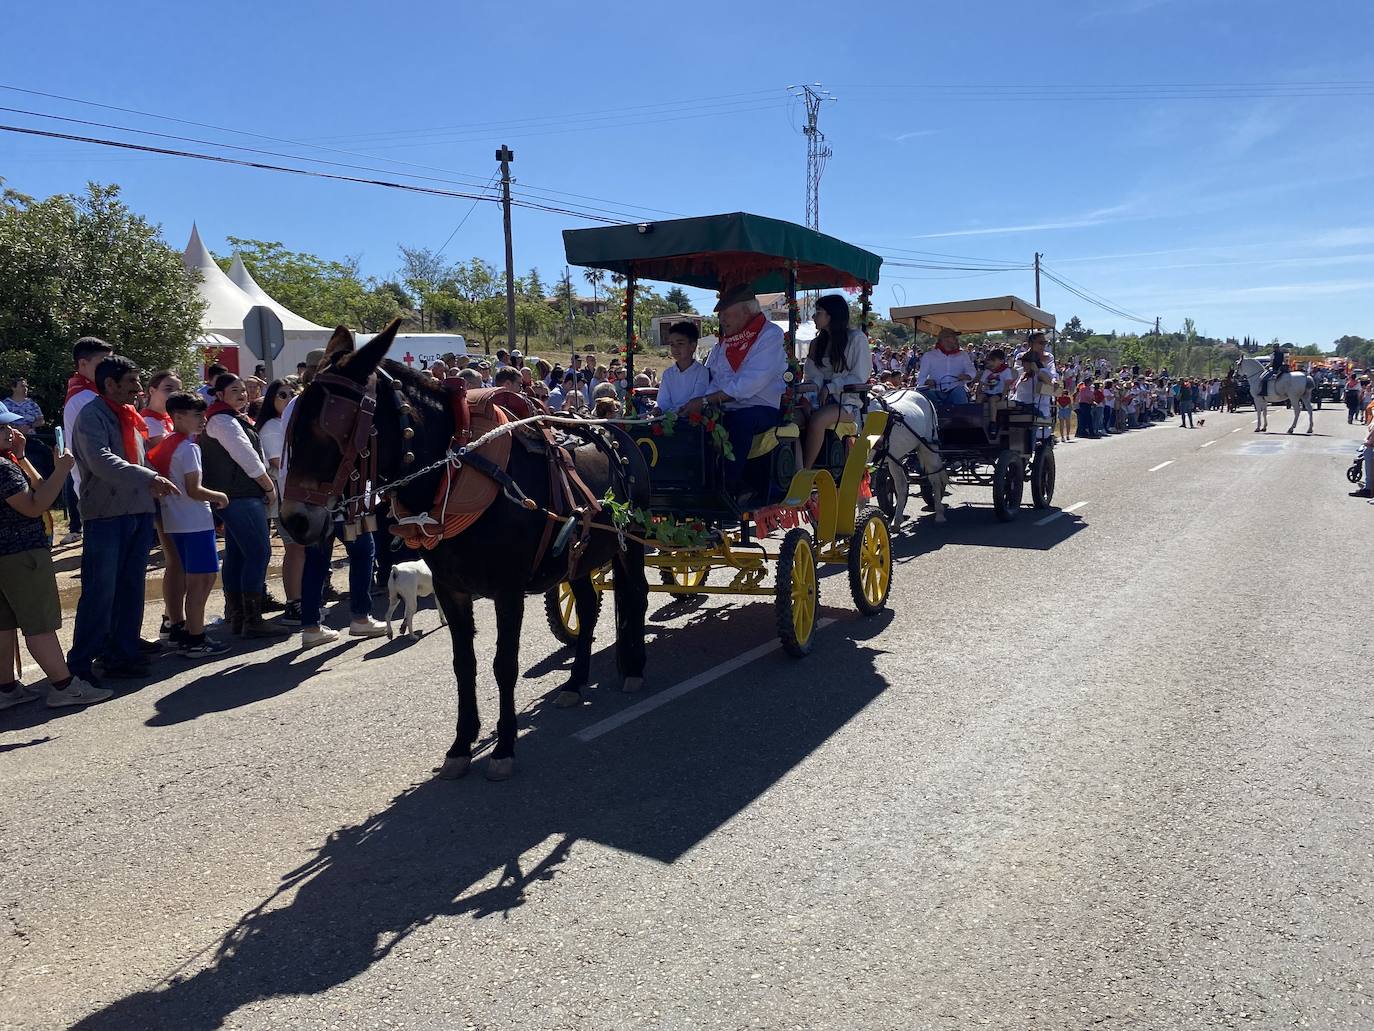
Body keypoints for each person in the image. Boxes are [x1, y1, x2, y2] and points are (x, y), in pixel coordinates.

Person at [67, 354, 180, 687]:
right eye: (130, 382)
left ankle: (122, 653)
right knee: (100, 592)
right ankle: (80, 663)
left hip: (137, 512)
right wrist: (148, 478)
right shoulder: (92, 416)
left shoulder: (130, 416)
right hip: (106, 515)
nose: (137, 389)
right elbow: (101, 462)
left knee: (130, 588)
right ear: (110, 384)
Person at [0, 412, 113, 709]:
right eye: (2, 427)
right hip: (22, 554)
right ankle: (65, 687)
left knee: (3, 624)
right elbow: (35, 506)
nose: (11, 430)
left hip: (5, 556)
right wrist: (62, 470)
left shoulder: (7, 463)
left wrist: (23, 459)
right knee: (40, 625)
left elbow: (35, 491)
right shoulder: (2, 469)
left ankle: (6, 689)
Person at [280, 352, 387, 646]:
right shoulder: (329, 404)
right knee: (363, 553)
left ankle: (311, 626)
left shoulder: (296, 404)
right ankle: (360, 618)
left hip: (309, 496)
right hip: (339, 497)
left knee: (317, 560)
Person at [200, 373, 285, 639]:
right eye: (234, 390)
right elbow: (246, 457)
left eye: (243, 390)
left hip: (238, 495)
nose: (241, 394)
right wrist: (269, 487)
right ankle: (252, 618)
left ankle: (238, 615)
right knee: (259, 552)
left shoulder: (232, 418)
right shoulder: (222, 420)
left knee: (238, 554)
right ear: (220, 394)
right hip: (240, 496)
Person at [147, 393, 231, 657]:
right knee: (202, 580)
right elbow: (194, 490)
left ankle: (181, 630)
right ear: (178, 417)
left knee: (189, 575)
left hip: (174, 520)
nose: (202, 420)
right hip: (194, 521)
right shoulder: (189, 447)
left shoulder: (166, 445)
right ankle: (196, 637)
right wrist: (219, 495)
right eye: (196, 415)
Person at [692, 285, 788, 492]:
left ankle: (729, 488)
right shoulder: (724, 343)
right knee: (693, 423)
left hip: (762, 407)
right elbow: (713, 377)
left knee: (739, 421)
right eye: (721, 316)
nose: (722, 320)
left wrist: (707, 401)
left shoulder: (770, 335)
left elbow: (750, 384)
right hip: (727, 405)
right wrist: (698, 403)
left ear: (746, 311)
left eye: (727, 314)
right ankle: (696, 482)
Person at [138, 371, 189, 642]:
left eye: (178, 389)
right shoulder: (149, 420)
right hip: (163, 497)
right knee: (175, 560)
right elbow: (163, 455)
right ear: (152, 390)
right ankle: (173, 620)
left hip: (177, 496)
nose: (173, 394)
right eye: (168, 389)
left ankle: (172, 617)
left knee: (179, 560)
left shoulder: (167, 419)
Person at [799, 293, 872, 468]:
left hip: (846, 403)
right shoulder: (817, 343)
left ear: (831, 315)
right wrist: (807, 397)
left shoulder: (856, 339)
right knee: (789, 420)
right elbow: (810, 375)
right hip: (817, 400)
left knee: (818, 420)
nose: (813, 316)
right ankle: (793, 469)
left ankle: (805, 474)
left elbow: (860, 375)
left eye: (818, 312)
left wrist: (831, 388)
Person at [255, 378, 305, 625]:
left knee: (301, 549)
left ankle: (302, 599)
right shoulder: (272, 427)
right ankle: (293, 603)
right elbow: (278, 462)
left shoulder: (291, 424)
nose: (288, 398)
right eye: (281, 395)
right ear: (271, 399)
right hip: (286, 498)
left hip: (298, 496)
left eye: (291, 394)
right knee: (294, 549)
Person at [60, 337, 115, 545]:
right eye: (102, 362)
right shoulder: (85, 397)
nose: (108, 368)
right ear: (82, 364)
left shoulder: (87, 392)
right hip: (98, 485)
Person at [654, 321, 711, 414]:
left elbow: (695, 401)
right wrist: (659, 409)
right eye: (672, 344)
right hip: (668, 420)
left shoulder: (702, 372)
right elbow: (663, 402)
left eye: (680, 343)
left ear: (693, 346)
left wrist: (677, 413)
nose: (675, 348)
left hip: (691, 422)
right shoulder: (668, 374)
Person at [916, 328, 975, 403]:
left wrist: (966, 376)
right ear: (944, 340)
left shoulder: (963, 355)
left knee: (959, 391)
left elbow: (972, 372)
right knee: (922, 393)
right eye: (953, 338)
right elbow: (921, 378)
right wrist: (926, 381)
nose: (956, 340)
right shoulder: (929, 356)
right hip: (935, 392)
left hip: (956, 391)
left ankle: (962, 414)